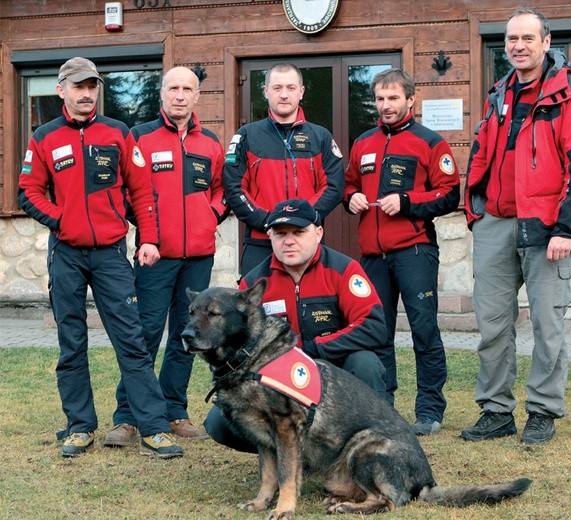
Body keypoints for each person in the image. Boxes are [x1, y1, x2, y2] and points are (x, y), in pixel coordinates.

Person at [17, 57, 183, 459]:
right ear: (62, 90)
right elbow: (28, 191)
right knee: (71, 342)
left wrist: (149, 238)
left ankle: (154, 428)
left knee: (132, 341)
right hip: (67, 255)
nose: (87, 94)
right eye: (79, 86)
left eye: (92, 86)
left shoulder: (118, 133)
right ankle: (79, 426)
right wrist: (61, 220)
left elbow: (142, 192)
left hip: (111, 254)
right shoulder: (44, 137)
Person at [461, 8, 571, 445]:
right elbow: (484, 153)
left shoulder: (570, 94)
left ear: (546, 42)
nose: (518, 45)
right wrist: (474, 211)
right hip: (496, 223)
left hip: (547, 227)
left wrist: (565, 228)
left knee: (547, 324)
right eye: (511, 39)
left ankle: (542, 411)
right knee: (492, 325)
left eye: (527, 38)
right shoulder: (498, 94)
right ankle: (496, 410)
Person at [103, 66, 229, 448]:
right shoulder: (139, 137)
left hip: (198, 257)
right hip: (155, 256)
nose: (179, 95)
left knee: (187, 336)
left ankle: (174, 410)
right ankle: (127, 417)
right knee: (143, 335)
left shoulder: (209, 142)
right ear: (161, 94)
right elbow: (124, 190)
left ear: (196, 96)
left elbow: (222, 189)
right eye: (172, 88)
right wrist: (147, 229)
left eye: (186, 89)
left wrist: (211, 216)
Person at [204, 198, 390, 452]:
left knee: (365, 363)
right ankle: (288, 453)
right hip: (279, 380)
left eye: (299, 232)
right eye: (280, 234)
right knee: (217, 422)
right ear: (269, 235)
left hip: (335, 374)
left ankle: (372, 447)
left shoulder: (345, 269)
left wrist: (314, 349)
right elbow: (238, 341)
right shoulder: (253, 283)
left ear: (318, 232)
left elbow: (373, 326)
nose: (289, 241)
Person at [344, 68, 460, 436]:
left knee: (423, 331)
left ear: (411, 99)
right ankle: (384, 407)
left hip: (415, 252)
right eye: (380, 98)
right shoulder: (362, 142)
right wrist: (352, 199)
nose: (386, 105)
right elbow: (348, 186)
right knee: (378, 332)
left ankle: (429, 411)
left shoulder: (430, 142)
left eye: (393, 98)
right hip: (372, 256)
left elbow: (450, 193)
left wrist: (408, 201)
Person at [223, 62, 344, 276]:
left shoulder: (321, 136)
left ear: (301, 92)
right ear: (266, 91)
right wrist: (266, 221)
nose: (284, 95)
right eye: (277, 88)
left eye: (291, 88)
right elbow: (234, 188)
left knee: (310, 305)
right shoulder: (247, 135)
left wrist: (304, 218)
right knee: (256, 308)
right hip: (261, 241)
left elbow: (334, 186)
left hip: (306, 241)